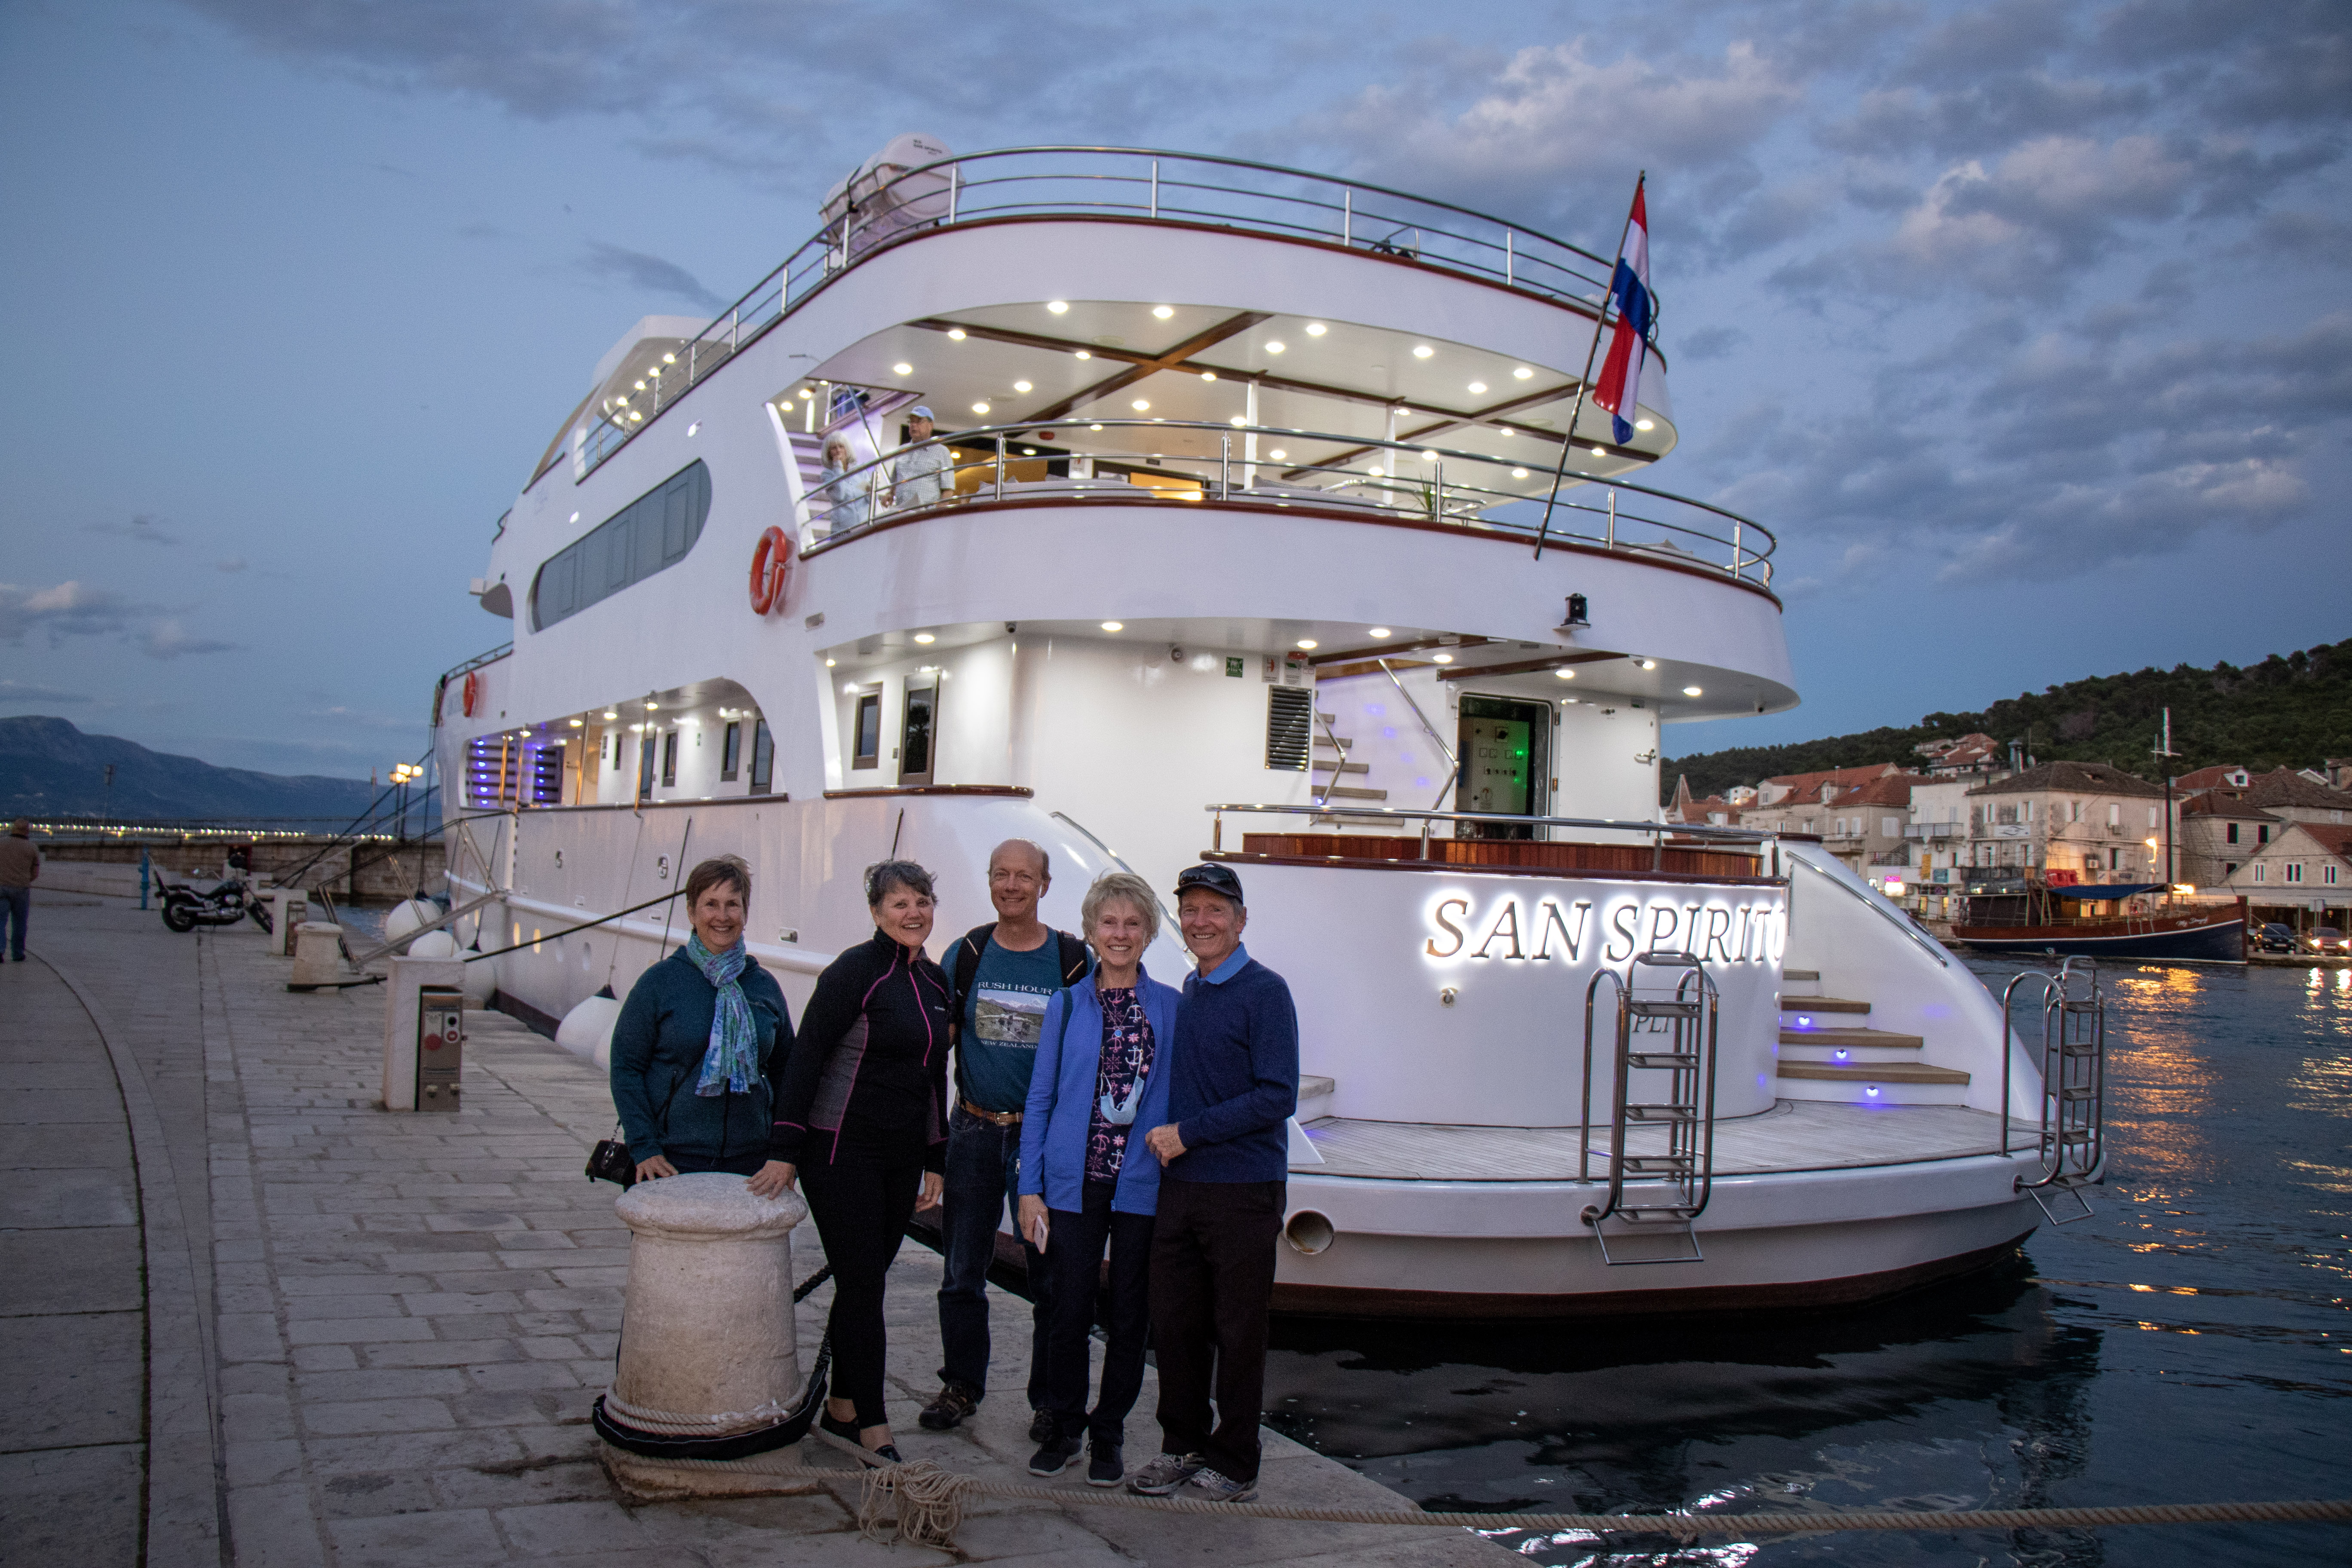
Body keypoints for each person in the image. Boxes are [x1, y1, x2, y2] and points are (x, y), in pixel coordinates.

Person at [771, 859, 952, 1463]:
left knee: (863, 1284)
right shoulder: (854, 972)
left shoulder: (935, 983)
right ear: (876, 912)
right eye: (899, 904)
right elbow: (807, 1056)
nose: (913, 913)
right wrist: (784, 1150)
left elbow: (935, 1076)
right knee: (863, 1284)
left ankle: (843, 1407)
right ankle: (875, 1429)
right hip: (839, 1150)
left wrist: (937, 1157)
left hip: (900, 1158)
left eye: (922, 902)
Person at [1128, 863, 1297, 1505]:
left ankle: (1236, 1462)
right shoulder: (1192, 989)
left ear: (1241, 920)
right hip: (1182, 1186)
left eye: (1215, 910)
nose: (1201, 922)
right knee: (1175, 1325)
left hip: (1243, 1188)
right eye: (1191, 910)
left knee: (1239, 1331)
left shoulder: (1266, 991)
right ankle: (1183, 1447)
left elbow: (1277, 1095)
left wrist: (1189, 1134)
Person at [921, 840, 1091, 1437]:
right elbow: (932, 1043)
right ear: (990, 880)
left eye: (1024, 876)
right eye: (1001, 874)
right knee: (961, 1270)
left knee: (1048, 1277)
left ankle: (1048, 1400)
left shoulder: (1072, 960)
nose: (1012, 886)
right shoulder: (966, 953)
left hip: (1039, 1142)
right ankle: (961, 1386)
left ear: (1045, 885)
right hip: (972, 1131)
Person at [1018, 871, 1180, 1486]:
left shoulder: (1172, 1008)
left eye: (1133, 923)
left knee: (1131, 1316)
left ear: (1149, 933)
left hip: (1141, 1182)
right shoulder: (1066, 1005)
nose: (1120, 933)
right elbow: (1040, 1099)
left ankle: (1109, 1432)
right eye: (1109, 922)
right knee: (1068, 1307)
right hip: (1074, 1180)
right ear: (1090, 931)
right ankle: (1065, 1427)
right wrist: (1029, 1187)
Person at [608, 856, 796, 1186]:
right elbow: (626, 1068)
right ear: (692, 912)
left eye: (733, 905)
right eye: (711, 904)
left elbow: (787, 1074)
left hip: (752, 1165)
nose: (722, 916)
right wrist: (645, 1147)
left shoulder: (764, 986)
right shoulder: (660, 982)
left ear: (745, 913)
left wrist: (783, 1153)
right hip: (672, 1160)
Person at [886, 406, 953, 510]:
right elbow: (895, 483)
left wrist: (936, 514)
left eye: (919, 421)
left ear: (931, 425)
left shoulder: (942, 452)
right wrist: (890, 495)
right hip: (901, 513)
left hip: (926, 514)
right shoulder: (902, 450)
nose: (913, 425)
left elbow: (948, 490)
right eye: (911, 421)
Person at [814, 434, 869, 537]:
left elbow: (870, 499)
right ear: (829, 453)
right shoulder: (828, 474)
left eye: (841, 447)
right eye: (834, 448)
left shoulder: (860, 471)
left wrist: (873, 489)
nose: (838, 450)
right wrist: (838, 466)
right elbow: (840, 494)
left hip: (864, 527)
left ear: (847, 449)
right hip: (842, 531)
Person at [0, 818, 37, 962]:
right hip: (22, 889)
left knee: (0, 921)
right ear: (27, 830)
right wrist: (24, 881)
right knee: (20, 923)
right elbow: (35, 873)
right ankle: (17, 953)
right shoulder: (32, 848)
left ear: (13, 829)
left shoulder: (1, 843)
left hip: (2, 887)